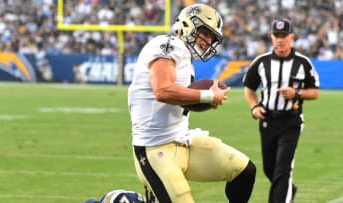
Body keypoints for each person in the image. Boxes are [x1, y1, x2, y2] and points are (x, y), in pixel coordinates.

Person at [128, 4, 256, 203]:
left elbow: (179, 100)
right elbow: (162, 90)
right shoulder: (166, 45)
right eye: (205, 33)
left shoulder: (184, 55)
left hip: (183, 142)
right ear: (188, 24)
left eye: (212, 38)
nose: (208, 41)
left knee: (243, 171)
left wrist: (203, 99)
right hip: (155, 151)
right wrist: (207, 96)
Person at [243, 18, 320, 203]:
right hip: (268, 120)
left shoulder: (303, 63)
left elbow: (315, 92)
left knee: (282, 170)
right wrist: (254, 107)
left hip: (291, 121)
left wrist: (297, 93)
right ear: (271, 38)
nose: (280, 40)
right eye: (276, 36)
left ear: (291, 37)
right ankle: (288, 190)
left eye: (284, 36)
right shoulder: (261, 62)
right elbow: (249, 87)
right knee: (270, 169)